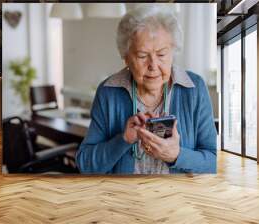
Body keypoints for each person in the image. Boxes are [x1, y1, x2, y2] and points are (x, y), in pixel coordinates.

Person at [76, 5, 217, 174]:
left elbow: (214, 162)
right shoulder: (109, 91)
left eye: (162, 54)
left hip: (180, 198)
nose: (153, 66)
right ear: (126, 58)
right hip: (125, 198)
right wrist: (124, 139)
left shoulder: (194, 88)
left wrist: (176, 155)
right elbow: (85, 164)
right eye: (142, 56)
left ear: (173, 52)